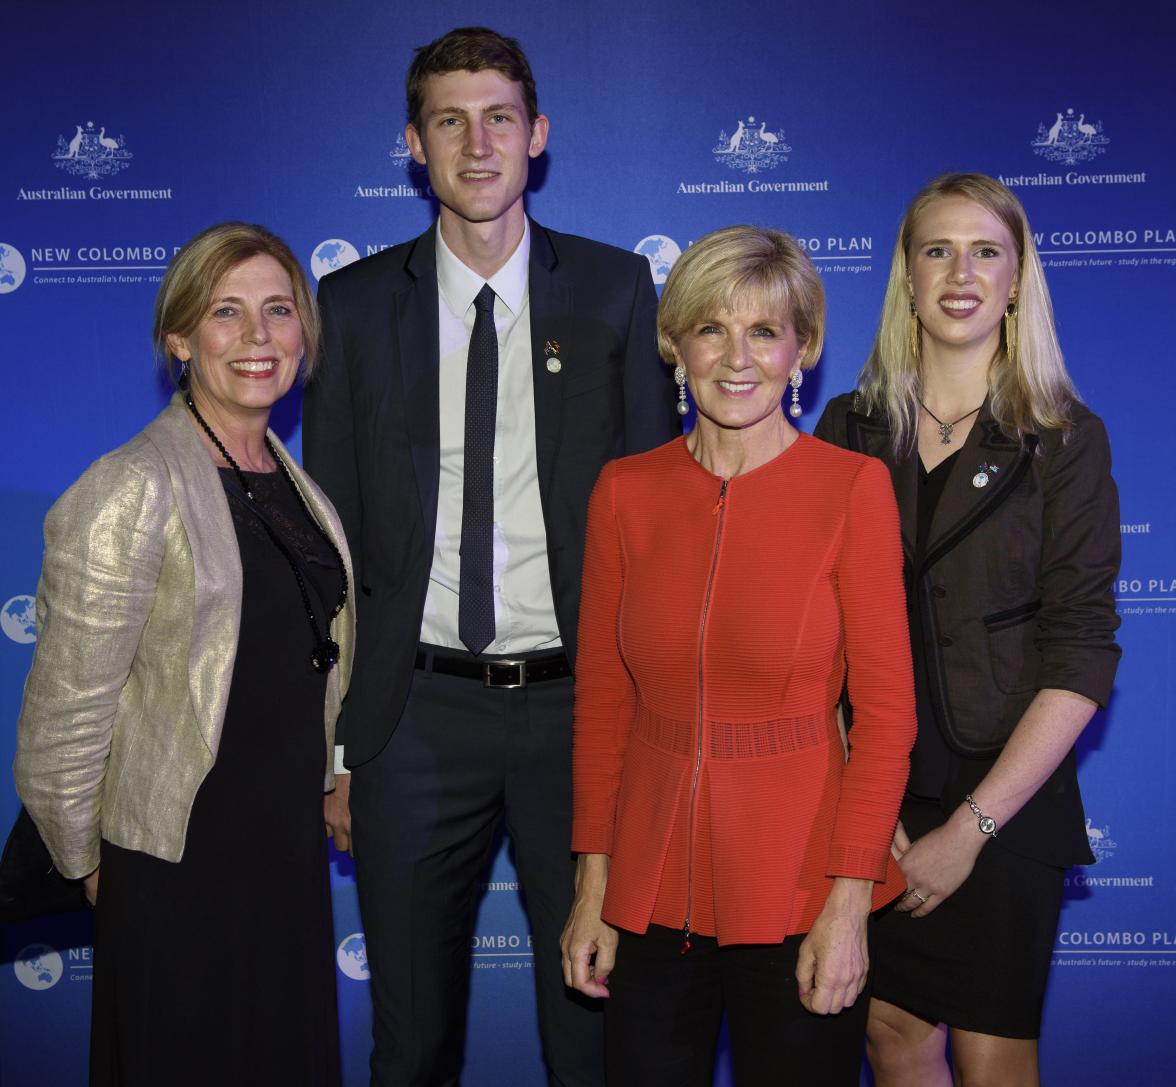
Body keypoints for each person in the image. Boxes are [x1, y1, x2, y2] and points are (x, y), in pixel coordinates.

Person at [302, 25, 677, 1087]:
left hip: (582, 710)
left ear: (538, 135)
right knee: (410, 1039)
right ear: (414, 145)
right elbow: (330, 552)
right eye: (449, 122)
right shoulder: (355, 307)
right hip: (411, 717)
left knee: (593, 1029)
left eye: (499, 118)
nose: (477, 145)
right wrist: (336, 748)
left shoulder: (613, 294)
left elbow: (657, 527)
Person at [561, 225, 916, 1087]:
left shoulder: (851, 489)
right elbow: (605, 703)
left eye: (764, 330)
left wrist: (849, 901)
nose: (736, 356)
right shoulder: (625, 492)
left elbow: (887, 718)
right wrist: (591, 886)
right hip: (646, 891)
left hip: (799, 886)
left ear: (803, 349)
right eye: (711, 328)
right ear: (675, 346)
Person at [14, 221, 355, 1087]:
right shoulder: (131, 484)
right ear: (179, 337)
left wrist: (332, 773)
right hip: (176, 863)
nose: (257, 337)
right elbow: (65, 717)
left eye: (278, 311)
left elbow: (312, 654)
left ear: (303, 332)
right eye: (226, 313)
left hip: (281, 851)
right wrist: (90, 865)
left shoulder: (292, 482)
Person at [814, 173, 1121, 1087]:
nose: (961, 272)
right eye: (936, 250)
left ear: (1019, 277)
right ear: (906, 277)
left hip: (1007, 791)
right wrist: (861, 812)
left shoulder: (1064, 437)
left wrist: (972, 827)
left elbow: (1081, 650)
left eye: (986, 251)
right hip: (875, 788)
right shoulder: (847, 427)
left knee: (993, 1052)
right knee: (890, 1033)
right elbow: (814, 640)